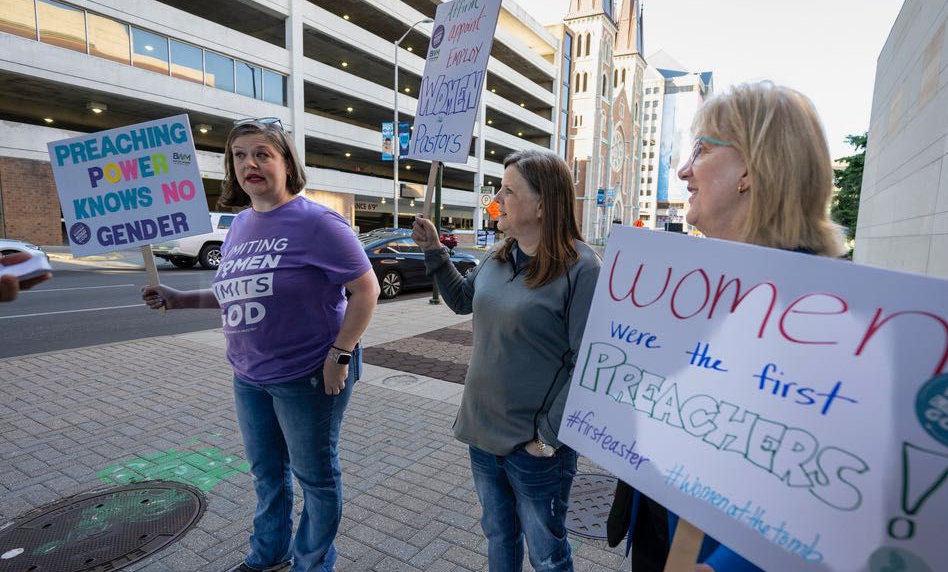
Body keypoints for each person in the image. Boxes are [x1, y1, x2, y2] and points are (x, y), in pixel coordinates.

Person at [607, 81, 845, 571]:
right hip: (658, 527)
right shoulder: (691, 280)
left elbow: (828, 493)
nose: (684, 170)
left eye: (701, 149)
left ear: (751, 170)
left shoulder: (823, 316)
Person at [141, 117, 379, 572]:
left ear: (286, 163)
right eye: (239, 155)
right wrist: (179, 299)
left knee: (315, 479)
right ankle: (269, 555)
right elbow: (238, 290)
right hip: (250, 376)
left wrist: (341, 354)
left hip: (310, 374)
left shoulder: (318, 222)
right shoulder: (240, 225)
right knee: (268, 476)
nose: (250, 163)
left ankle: (312, 564)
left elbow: (365, 290)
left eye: (262, 154)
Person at [411, 149, 602, 572]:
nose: (495, 199)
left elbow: (587, 363)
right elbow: (463, 301)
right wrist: (434, 252)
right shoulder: (499, 254)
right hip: (482, 433)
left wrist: (545, 439)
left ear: (541, 204)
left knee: (547, 555)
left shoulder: (582, 269)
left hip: (533, 448)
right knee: (499, 537)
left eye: (508, 190)